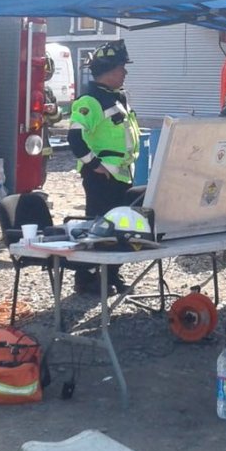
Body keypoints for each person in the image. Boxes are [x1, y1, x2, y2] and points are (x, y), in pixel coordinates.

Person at [67, 40, 140, 296]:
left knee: (119, 228)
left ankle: (110, 273)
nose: (125, 72)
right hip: (101, 178)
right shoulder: (91, 101)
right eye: (121, 68)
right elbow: (75, 137)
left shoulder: (117, 97)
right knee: (97, 228)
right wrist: (95, 165)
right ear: (108, 70)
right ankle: (86, 278)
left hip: (121, 175)